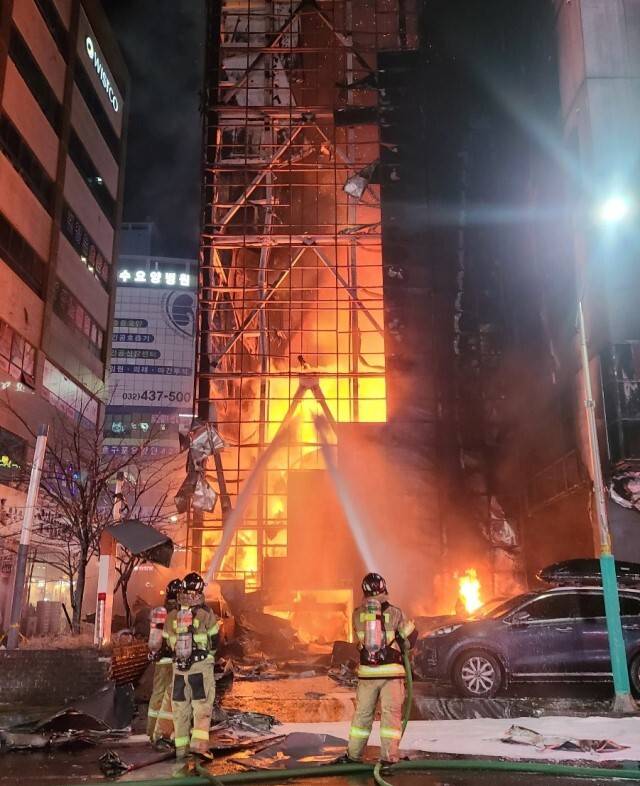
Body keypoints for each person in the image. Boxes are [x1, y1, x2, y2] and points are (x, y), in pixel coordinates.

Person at [341, 573, 417, 766]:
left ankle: (353, 755)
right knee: (390, 716)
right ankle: (388, 758)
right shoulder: (396, 613)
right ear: (384, 588)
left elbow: (357, 643)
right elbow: (411, 639)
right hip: (391, 674)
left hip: (367, 674)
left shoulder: (357, 614)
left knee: (362, 716)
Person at [163, 572, 220, 759]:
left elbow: (166, 644)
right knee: (201, 707)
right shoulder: (206, 614)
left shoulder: (172, 615)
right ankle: (199, 747)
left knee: (180, 709)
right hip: (199, 667)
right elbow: (215, 640)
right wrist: (209, 657)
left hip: (179, 670)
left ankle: (181, 749)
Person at [147, 578, 181, 744]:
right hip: (175, 659)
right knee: (173, 696)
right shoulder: (180, 613)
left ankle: (151, 729)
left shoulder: (161, 611)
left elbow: (155, 637)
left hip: (161, 659)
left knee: (158, 693)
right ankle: (166, 730)